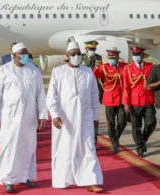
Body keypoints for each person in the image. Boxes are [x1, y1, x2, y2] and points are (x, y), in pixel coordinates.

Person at [0, 43, 48, 193]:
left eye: (26, 52)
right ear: (14, 55)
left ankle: (25, 176)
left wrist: (42, 115)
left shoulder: (34, 71)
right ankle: (9, 179)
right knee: (9, 147)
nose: (24, 55)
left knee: (28, 146)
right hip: (10, 117)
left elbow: (40, 95)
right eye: (21, 53)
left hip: (29, 117)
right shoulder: (4, 70)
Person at [47, 41, 103, 193]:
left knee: (88, 148)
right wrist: (55, 115)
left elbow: (94, 96)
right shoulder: (58, 72)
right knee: (65, 149)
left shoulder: (87, 72)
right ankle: (64, 179)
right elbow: (51, 97)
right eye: (73, 54)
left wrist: (96, 116)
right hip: (65, 119)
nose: (76, 56)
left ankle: (90, 181)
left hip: (85, 117)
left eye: (78, 53)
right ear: (67, 56)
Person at [122, 46, 156, 158]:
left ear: (142, 55)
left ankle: (143, 140)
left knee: (151, 123)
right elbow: (126, 87)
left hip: (148, 100)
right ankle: (140, 147)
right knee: (136, 126)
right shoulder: (128, 68)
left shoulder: (150, 66)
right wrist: (126, 103)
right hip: (135, 101)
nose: (135, 57)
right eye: (134, 54)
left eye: (137, 55)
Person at [93, 47, 128, 153]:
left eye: (112, 58)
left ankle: (115, 137)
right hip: (110, 99)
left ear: (117, 58)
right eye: (109, 58)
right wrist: (96, 67)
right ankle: (114, 143)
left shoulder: (124, 66)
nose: (110, 60)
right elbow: (95, 75)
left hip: (122, 98)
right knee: (111, 123)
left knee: (123, 121)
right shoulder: (104, 67)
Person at [81, 40, 103, 150]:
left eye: (94, 49)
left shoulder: (98, 57)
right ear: (86, 49)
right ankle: (83, 141)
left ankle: (93, 143)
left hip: (95, 89)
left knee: (95, 116)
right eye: (90, 49)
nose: (92, 51)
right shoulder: (80, 58)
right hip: (84, 89)